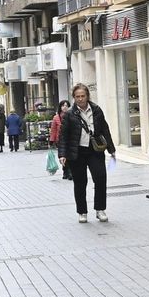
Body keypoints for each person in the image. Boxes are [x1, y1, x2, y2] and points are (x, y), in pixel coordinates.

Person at [59, 84, 115, 221]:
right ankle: (82, 212)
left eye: (83, 96)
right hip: (76, 151)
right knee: (80, 182)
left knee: (100, 178)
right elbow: (63, 135)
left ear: (87, 96)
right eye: (77, 96)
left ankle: (100, 209)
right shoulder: (69, 114)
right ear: (74, 97)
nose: (80, 99)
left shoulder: (96, 110)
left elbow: (105, 129)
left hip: (94, 149)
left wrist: (111, 149)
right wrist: (62, 154)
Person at [49, 100, 70, 178]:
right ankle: (65, 171)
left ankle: (69, 172)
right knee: (63, 155)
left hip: (70, 139)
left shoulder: (71, 116)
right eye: (63, 105)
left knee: (69, 156)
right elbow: (53, 130)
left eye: (66, 106)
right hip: (60, 140)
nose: (65, 107)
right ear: (60, 107)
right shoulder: (56, 117)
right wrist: (51, 140)